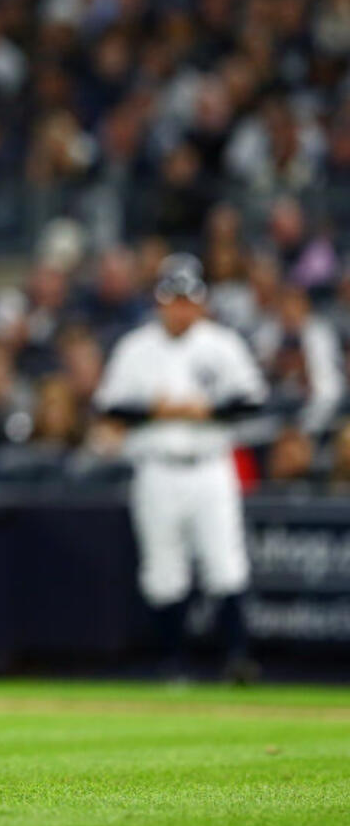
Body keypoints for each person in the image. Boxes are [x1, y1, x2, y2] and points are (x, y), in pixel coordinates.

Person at [93, 254, 267, 683]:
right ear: (159, 301)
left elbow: (252, 400)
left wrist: (203, 409)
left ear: (202, 301)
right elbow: (110, 406)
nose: (180, 308)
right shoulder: (137, 347)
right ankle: (172, 663)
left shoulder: (221, 344)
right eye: (172, 299)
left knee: (225, 561)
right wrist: (156, 410)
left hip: (210, 465)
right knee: (162, 568)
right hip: (156, 468)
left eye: (188, 299)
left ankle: (236, 659)